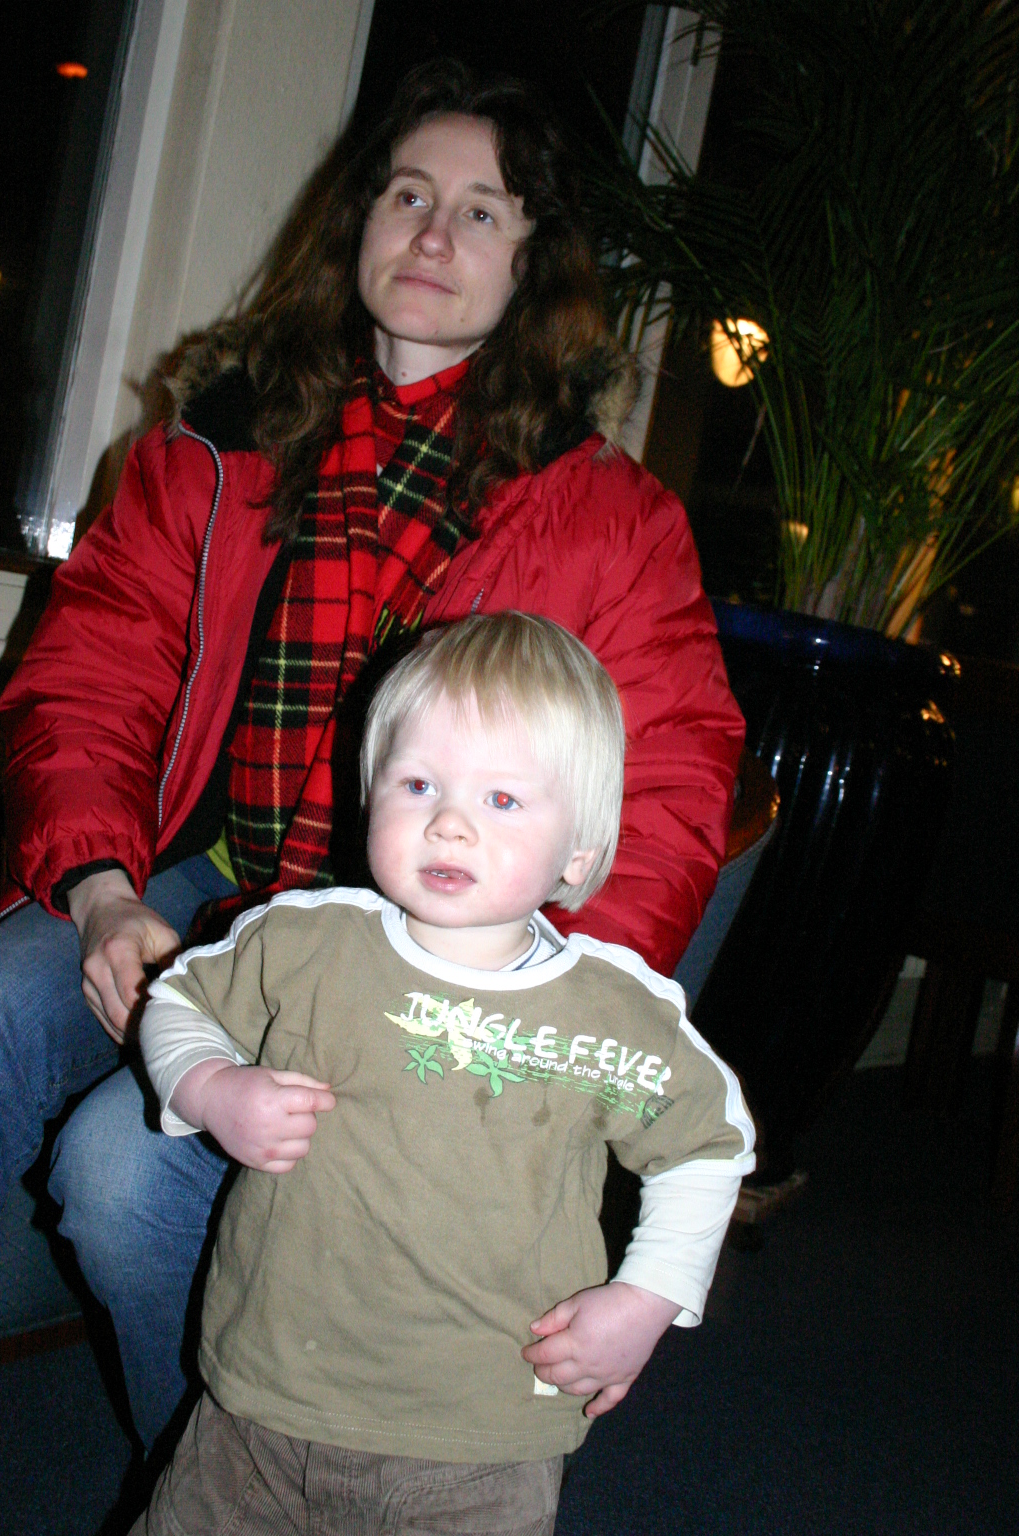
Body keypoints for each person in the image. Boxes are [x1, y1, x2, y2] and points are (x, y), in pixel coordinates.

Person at [0, 60, 744, 1452]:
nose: (433, 233)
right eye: (408, 195)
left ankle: (226, 1475)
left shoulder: (610, 518)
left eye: (482, 211)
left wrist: (521, 1006)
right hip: (208, 877)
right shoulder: (213, 448)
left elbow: (670, 789)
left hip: (440, 946)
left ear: (531, 265)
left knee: (118, 1174)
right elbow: (90, 674)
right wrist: (99, 887)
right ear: (359, 222)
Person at [131, 613, 755, 1535]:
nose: (450, 822)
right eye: (418, 783)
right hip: (258, 1407)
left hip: (481, 1445)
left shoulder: (613, 1013)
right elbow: (174, 1001)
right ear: (369, 795)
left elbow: (708, 1145)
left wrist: (649, 1295)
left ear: (579, 852)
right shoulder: (303, 940)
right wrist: (209, 1087)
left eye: (502, 799)